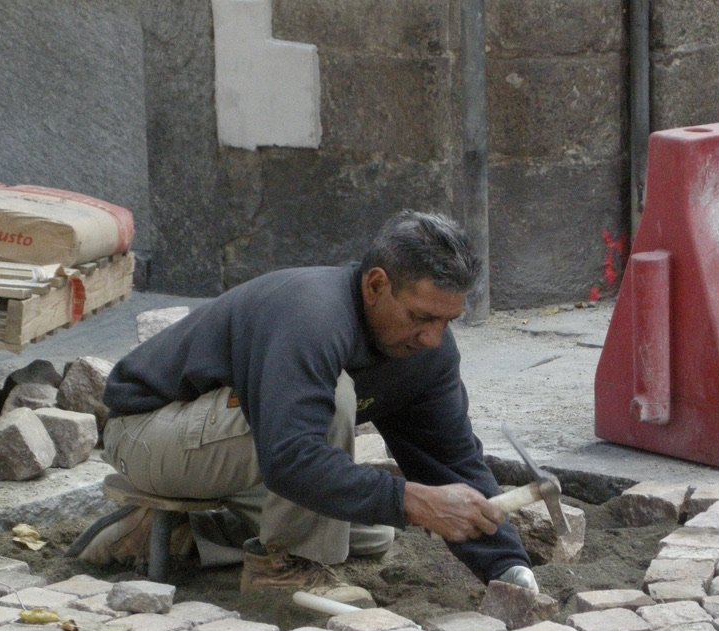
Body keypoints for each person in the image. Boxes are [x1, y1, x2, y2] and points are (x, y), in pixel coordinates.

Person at [94, 210, 538, 596]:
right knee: (335, 403)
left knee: (372, 534)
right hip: (146, 432)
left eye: (448, 320)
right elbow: (292, 459)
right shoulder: (313, 318)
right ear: (376, 284)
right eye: (421, 317)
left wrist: (508, 568)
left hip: (231, 446)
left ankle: (182, 534)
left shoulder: (428, 352)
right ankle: (283, 572)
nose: (434, 337)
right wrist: (413, 499)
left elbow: (452, 459)